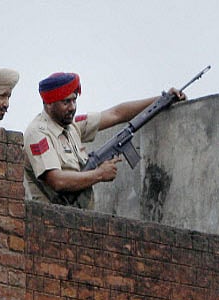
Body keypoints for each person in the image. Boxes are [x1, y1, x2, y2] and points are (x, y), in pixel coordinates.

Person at [23, 72, 185, 209]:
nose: (72, 107)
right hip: (50, 219)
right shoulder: (38, 133)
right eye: (65, 102)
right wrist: (99, 174)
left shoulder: (71, 126)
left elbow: (116, 114)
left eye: (74, 100)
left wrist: (161, 100)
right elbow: (56, 180)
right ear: (49, 104)